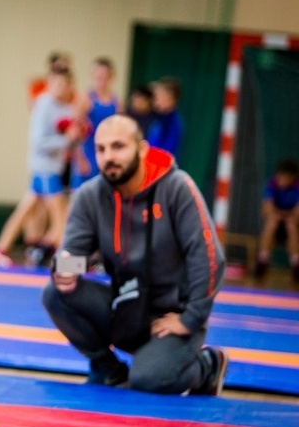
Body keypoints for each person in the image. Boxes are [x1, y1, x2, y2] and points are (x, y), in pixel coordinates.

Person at [42, 114, 229, 396]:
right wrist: (65, 268)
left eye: (118, 147)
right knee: (54, 293)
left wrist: (190, 318)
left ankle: (207, 365)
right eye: (101, 149)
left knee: (150, 380)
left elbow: (209, 257)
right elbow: (75, 256)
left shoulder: (177, 187)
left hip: (171, 316)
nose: (109, 157)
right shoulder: (89, 195)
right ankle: (107, 369)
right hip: (125, 308)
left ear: (142, 149)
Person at [0, 67, 83, 268]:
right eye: (57, 84)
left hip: (53, 167)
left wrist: (74, 138)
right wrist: (66, 140)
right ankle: (67, 262)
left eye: (66, 84)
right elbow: (38, 142)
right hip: (44, 168)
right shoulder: (44, 105)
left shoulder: (65, 107)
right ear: (49, 84)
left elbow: (68, 139)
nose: (61, 88)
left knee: (24, 210)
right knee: (61, 216)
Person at [70, 57, 122, 190]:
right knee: (81, 197)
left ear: (111, 77)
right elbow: (74, 132)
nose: (101, 80)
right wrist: (79, 158)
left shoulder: (116, 103)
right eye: (97, 76)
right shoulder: (85, 99)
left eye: (104, 76)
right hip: (87, 154)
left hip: (107, 156)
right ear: (92, 76)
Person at [254, 158, 299, 281]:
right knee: (272, 222)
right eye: (279, 175)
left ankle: (296, 264)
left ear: (292, 177)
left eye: (284, 176)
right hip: (276, 224)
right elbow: (266, 209)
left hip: (292, 226)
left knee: (291, 225)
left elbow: (297, 213)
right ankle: (263, 260)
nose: (281, 178)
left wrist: (286, 215)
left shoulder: (297, 187)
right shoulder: (272, 184)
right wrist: (278, 215)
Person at [146, 76, 183, 161]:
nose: (155, 99)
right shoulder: (156, 117)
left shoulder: (173, 123)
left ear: (170, 98)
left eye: (159, 95)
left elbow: (165, 154)